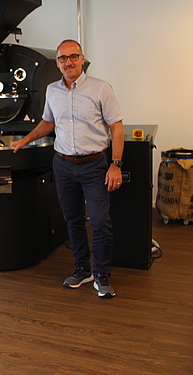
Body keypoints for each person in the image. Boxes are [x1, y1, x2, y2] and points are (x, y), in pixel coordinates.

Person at [12, 39, 124, 299]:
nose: (68, 62)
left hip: (95, 165)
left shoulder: (100, 88)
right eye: (63, 58)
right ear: (58, 63)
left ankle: (102, 274)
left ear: (82, 59)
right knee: (72, 221)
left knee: (99, 222)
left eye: (73, 57)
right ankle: (82, 269)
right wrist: (24, 140)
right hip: (63, 165)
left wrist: (116, 165)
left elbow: (116, 127)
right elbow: (48, 123)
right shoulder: (52, 91)